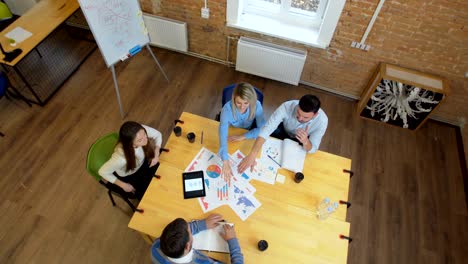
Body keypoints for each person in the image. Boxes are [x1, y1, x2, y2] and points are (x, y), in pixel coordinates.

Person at [238, 94, 328, 173]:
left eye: (305, 117)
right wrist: (252, 154)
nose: (300, 118)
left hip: (302, 140)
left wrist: (306, 142)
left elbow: (313, 149)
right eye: (298, 113)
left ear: (315, 115)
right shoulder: (287, 106)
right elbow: (267, 129)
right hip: (283, 130)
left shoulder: (322, 121)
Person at [99, 121, 162, 200]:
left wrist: (156, 154)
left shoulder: (140, 132)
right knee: (148, 196)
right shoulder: (120, 159)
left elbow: (158, 135)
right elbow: (102, 172)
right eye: (140, 140)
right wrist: (123, 185)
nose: (145, 139)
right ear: (130, 144)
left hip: (142, 163)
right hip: (131, 175)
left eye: (145, 134)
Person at [151, 214, 244, 264]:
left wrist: (200, 225)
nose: (191, 229)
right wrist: (233, 240)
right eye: (190, 231)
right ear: (187, 246)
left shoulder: (155, 247)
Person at [218, 83, 265, 181]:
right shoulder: (227, 109)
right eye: (238, 103)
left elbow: (263, 129)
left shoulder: (256, 105)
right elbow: (222, 134)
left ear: (251, 101)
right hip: (233, 130)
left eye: (246, 103)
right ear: (234, 98)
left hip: (248, 131)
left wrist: (244, 136)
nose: (242, 107)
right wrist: (225, 160)